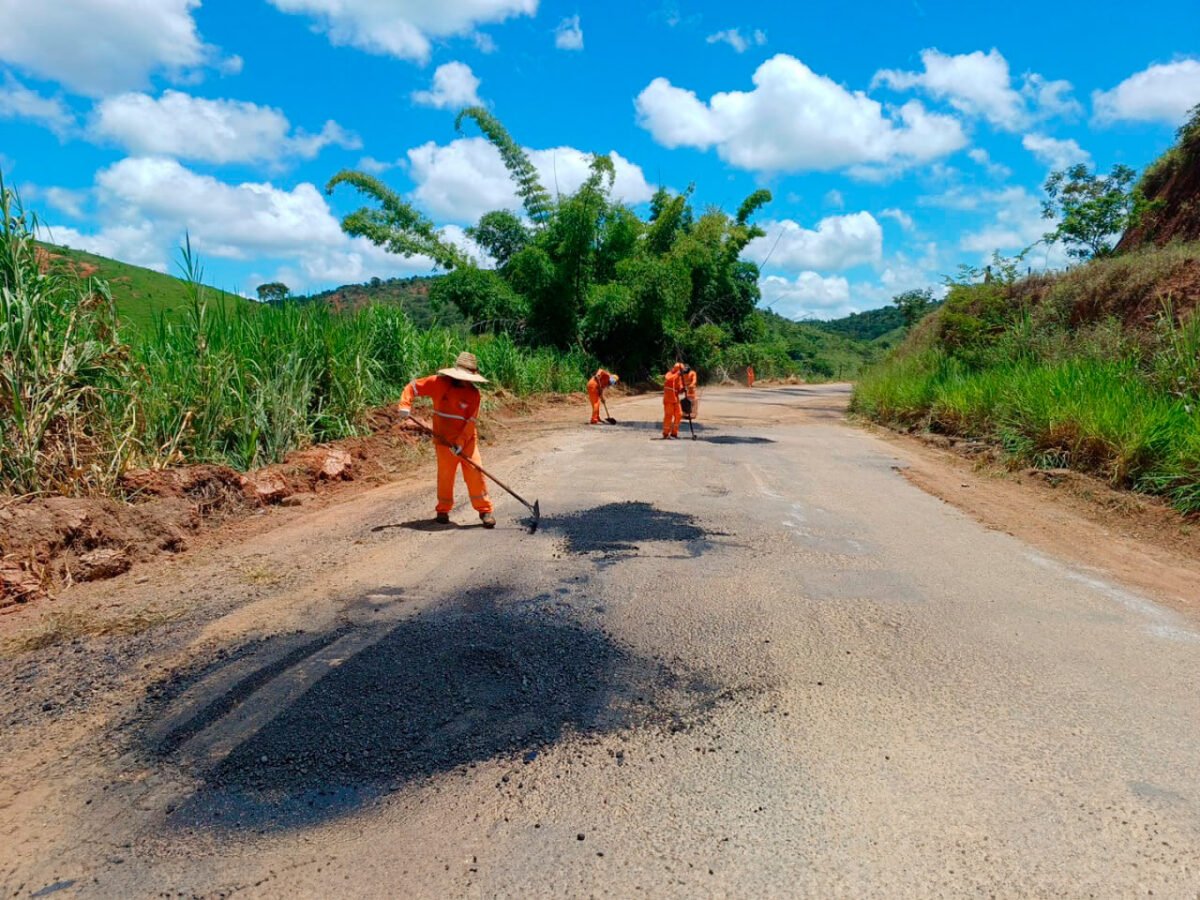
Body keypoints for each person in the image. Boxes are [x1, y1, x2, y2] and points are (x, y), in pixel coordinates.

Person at [398, 351, 496, 528]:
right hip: (443, 441)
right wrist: (405, 405)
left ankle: (485, 511)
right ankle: (442, 511)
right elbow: (412, 387)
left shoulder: (474, 395)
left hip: (466, 442)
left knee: (475, 471)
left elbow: (470, 423)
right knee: (445, 475)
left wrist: (460, 443)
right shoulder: (438, 383)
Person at [662, 362, 684, 439]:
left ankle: (674, 433)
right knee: (668, 416)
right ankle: (666, 433)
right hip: (668, 399)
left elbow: (679, 387)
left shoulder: (679, 378)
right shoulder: (669, 374)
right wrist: (677, 374)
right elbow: (669, 379)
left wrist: (682, 389)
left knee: (679, 414)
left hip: (675, 399)